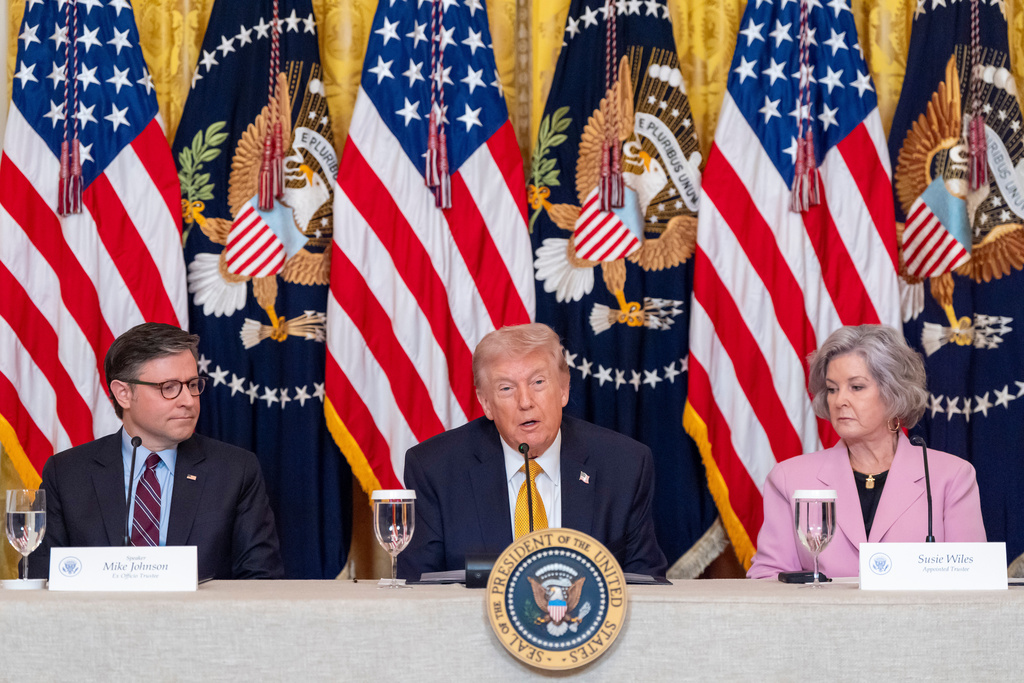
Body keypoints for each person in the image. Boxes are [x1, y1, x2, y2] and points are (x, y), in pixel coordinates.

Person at [397, 322, 667, 580]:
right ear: (486, 403)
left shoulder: (624, 465)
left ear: (563, 389)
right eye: (506, 388)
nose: (525, 402)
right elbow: (421, 589)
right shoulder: (434, 469)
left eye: (538, 382)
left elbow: (645, 585)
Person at [30, 323, 284, 580]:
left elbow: (261, 580)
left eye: (193, 385)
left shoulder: (235, 471)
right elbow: (40, 576)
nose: (187, 400)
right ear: (124, 394)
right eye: (169, 387)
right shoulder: (67, 474)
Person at [748, 324, 987, 579]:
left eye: (856, 387)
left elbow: (972, 577)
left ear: (894, 392)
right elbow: (767, 578)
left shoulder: (951, 477)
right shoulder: (789, 478)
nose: (839, 400)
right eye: (832, 389)